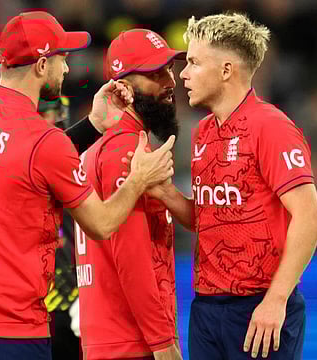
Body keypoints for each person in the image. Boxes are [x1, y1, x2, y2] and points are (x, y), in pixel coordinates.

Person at [0, 11, 176, 360]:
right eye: (62, 59)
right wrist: (139, 180)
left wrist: (93, 125)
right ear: (42, 66)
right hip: (6, 323)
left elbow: (22, 159)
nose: (67, 69)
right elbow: (101, 224)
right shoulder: (43, 141)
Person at [132, 13, 317, 360]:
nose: (183, 75)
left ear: (226, 71)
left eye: (193, 62)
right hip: (206, 308)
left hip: (259, 307)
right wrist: (164, 193)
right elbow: (212, 216)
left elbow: (310, 218)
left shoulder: (272, 127)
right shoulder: (203, 132)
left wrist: (276, 300)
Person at [76, 29, 185, 360]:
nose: (171, 81)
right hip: (131, 342)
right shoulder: (125, 151)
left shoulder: (106, 145)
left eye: (169, 68)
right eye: (155, 73)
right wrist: (163, 344)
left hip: (111, 338)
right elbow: (132, 257)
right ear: (122, 85)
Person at [38, 97, 82, 359]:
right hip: (34, 304)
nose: (50, 119)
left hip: (75, 298)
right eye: (44, 113)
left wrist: (92, 294)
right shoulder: (17, 163)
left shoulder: (78, 160)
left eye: (55, 113)